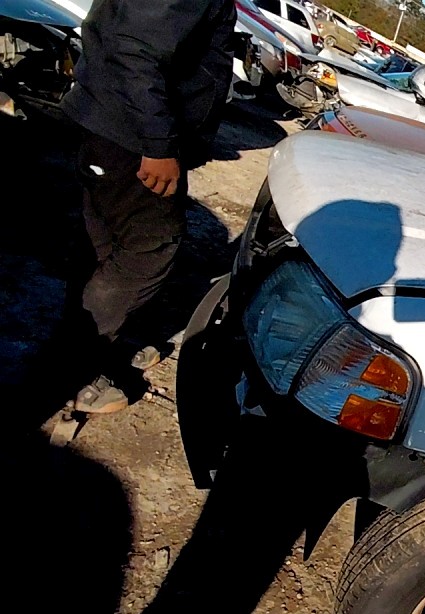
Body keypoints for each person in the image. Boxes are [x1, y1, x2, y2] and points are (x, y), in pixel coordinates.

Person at [59, 0, 236, 413]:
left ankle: (96, 345)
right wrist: (158, 145)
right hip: (132, 138)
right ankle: (73, 370)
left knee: (106, 247)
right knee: (147, 252)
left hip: (116, 126)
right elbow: (134, 50)